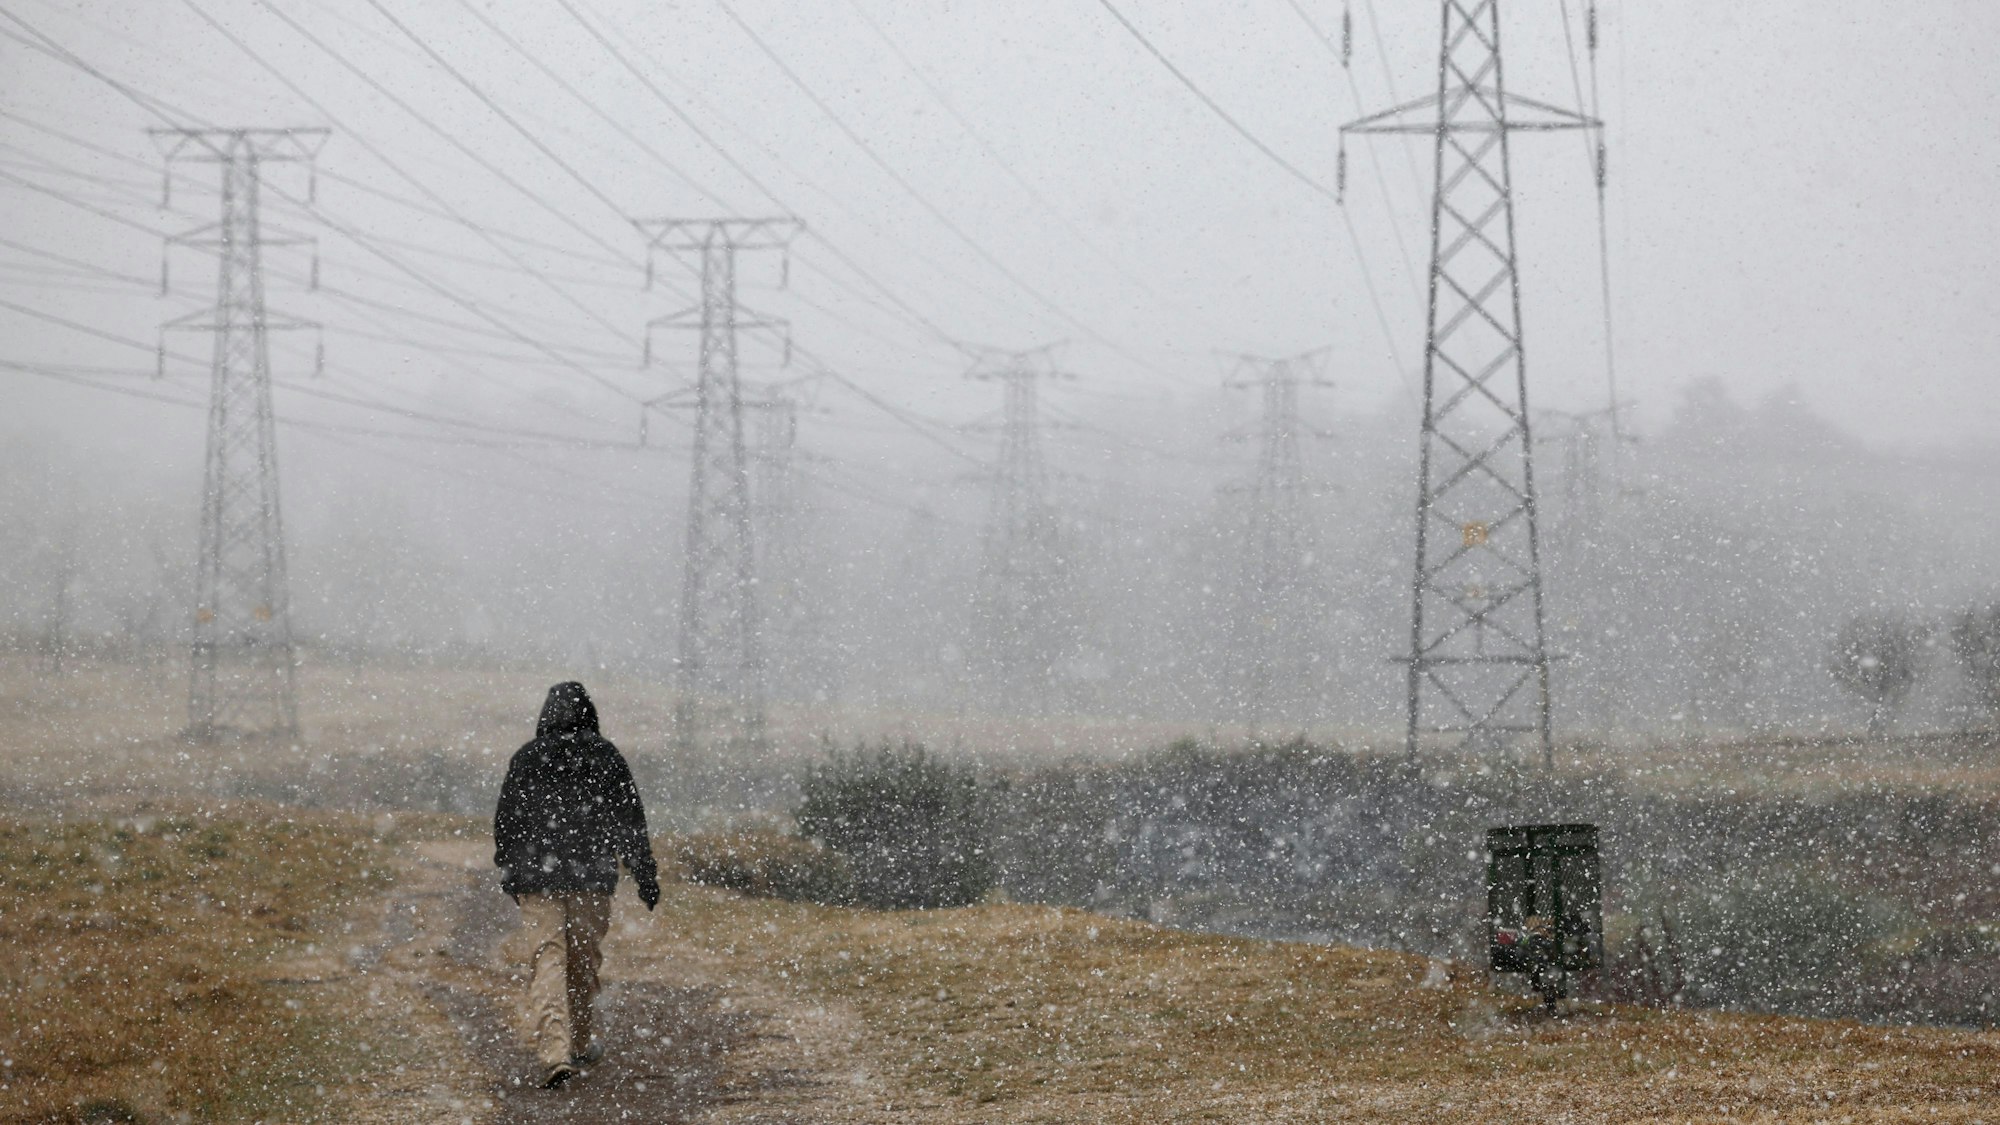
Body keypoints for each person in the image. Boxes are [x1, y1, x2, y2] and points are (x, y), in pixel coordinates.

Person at [494, 681, 661, 1089]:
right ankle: (580, 1044)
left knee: (548, 959)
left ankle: (555, 1052)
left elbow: (506, 824)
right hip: (591, 878)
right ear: (590, 714)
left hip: (537, 879)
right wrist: (645, 876)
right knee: (582, 962)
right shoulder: (605, 757)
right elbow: (630, 823)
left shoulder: (527, 759)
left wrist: (511, 869)